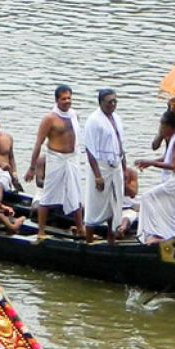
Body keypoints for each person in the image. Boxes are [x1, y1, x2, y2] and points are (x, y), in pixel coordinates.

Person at [24, 85, 85, 239]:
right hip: (56, 159)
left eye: (69, 98)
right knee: (48, 194)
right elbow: (38, 143)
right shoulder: (49, 118)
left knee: (75, 193)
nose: (67, 101)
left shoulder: (74, 115)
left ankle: (80, 229)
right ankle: (41, 231)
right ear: (57, 100)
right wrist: (31, 168)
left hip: (72, 159)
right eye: (63, 98)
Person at [134, 110, 175, 243]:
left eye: (162, 126)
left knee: (147, 198)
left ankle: (152, 234)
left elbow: (174, 165)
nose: (160, 129)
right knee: (173, 210)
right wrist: (150, 162)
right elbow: (168, 157)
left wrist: (152, 163)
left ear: (168, 127)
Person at [83, 89, 126, 243]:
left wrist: (125, 169)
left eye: (115, 101)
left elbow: (121, 146)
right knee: (95, 204)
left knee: (114, 202)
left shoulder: (117, 118)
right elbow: (89, 149)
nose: (112, 104)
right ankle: (89, 240)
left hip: (116, 166)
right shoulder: (93, 120)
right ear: (100, 102)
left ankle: (111, 237)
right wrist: (98, 176)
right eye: (109, 102)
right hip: (100, 167)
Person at [0, 114, 25, 232]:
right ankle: (9, 223)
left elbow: (11, 157)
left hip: (2, 173)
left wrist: (14, 173)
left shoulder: (8, 138)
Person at [115, 167, 139, 239]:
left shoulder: (130, 172)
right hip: (111, 203)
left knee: (127, 217)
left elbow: (133, 193)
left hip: (128, 204)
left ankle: (122, 229)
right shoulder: (102, 172)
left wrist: (123, 182)